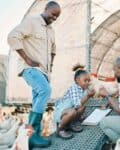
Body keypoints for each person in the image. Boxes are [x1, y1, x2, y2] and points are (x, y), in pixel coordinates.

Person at [7, 1, 61, 149]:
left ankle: (31, 138)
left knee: (38, 97)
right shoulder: (31, 22)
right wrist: (27, 59)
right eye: (53, 14)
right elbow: (12, 37)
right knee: (45, 91)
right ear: (46, 9)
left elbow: (53, 50)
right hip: (30, 69)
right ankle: (31, 132)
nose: (54, 18)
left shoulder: (51, 30)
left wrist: (50, 67)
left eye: (57, 16)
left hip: (44, 72)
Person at [54, 64, 95, 139]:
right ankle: (60, 129)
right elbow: (77, 105)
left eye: (88, 80)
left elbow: (81, 104)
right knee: (73, 111)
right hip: (61, 112)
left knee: (82, 107)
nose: (87, 83)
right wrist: (88, 96)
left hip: (71, 109)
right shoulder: (74, 88)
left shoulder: (84, 89)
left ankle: (72, 123)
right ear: (77, 81)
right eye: (85, 80)